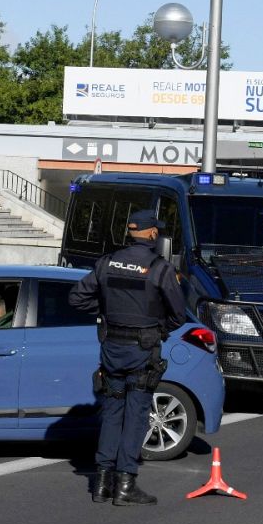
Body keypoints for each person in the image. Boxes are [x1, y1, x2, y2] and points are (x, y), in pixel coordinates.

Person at [69, 209, 186, 507]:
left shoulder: (107, 263)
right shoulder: (160, 269)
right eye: (155, 231)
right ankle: (125, 485)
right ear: (151, 234)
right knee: (135, 417)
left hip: (111, 349)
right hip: (142, 350)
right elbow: (178, 315)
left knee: (111, 414)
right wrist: (158, 329)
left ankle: (101, 484)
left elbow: (77, 297)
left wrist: (105, 312)